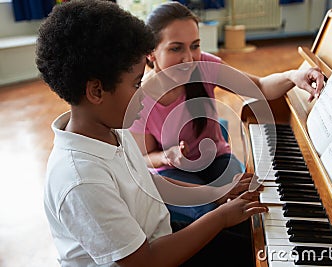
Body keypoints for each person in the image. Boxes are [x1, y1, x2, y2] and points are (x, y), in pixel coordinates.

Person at [38, 0, 267, 266]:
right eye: (137, 83)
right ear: (96, 91)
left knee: (253, 234)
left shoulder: (109, 129)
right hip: (152, 256)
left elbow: (145, 183)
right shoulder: (81, 180)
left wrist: (217, 193)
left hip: (160, 235)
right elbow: (144, 261)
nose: (144, 93)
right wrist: (220, 216)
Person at [129, 1, 324, 222]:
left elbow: (259, 87)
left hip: (215, 157)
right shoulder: (139, 99)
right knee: (208, 213)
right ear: (151, 53)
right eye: (176, 48)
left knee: (248, 198)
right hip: (173, 171)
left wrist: (291, 76)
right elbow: (144, 157)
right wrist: (166, 156)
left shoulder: (204, 65)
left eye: (195, 45)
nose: (189, 58)